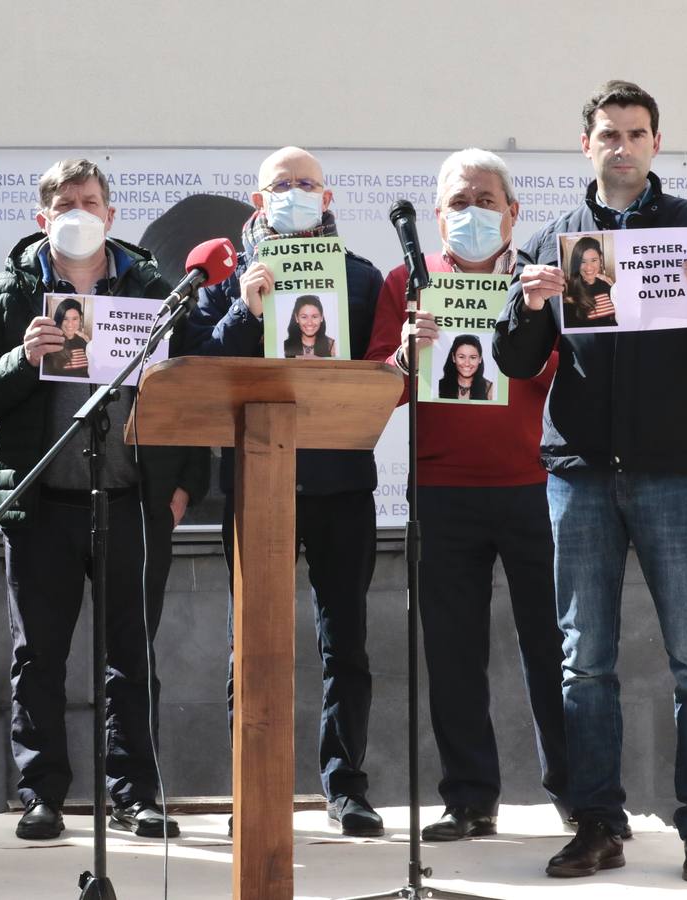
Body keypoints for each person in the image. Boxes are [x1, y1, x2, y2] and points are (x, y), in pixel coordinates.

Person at [493, 81, 687, 882]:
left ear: (655, 143)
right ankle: (597, 825)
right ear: (587, 146)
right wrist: (526, 307)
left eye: (635, 133)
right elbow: (513, 365)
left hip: (669, 476)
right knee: (584, 662)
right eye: (607, 134)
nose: (621, 145)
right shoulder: (550, 238)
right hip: (578, 477)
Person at [0, 158, 208, 841]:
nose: (78, 211)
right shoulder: (9, 291)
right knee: (37, 655)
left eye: (90, 200)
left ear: (110, 214)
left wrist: (184, 484)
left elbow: (188, 390)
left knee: (132, 653)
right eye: (65, 202)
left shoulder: (149, 284)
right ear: (43, 217)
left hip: (131, 500)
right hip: (42, 504)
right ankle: (41, 795)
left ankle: (136, 794)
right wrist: (22, 356)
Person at [366, 148, 568, 843]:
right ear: (436, 215)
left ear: (514, 213)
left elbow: (575, 380)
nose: (472, 213)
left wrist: (539, 312)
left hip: (540, 490)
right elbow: (375, 394)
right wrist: (403, 353)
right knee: (451, 656)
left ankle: (580, 800)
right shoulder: (406, 283)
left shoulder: (543, 282)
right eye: (459, 202)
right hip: (442, 492)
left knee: (558, 652)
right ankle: (469, 799)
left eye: (486, 200)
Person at [184, 146, 384, 837]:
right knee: (253, 643)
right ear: (257, 199)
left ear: (327, 198)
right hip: (257, 482)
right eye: (281, 185)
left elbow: (383, 371)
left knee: (345, 643)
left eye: (306, 185)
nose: (295, 194)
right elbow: (200, 367)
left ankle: (345, 783)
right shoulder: (225, 277)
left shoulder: (360, 281)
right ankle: (254, 785)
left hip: (339, 483)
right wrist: (244, 308)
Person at [562, 236, 616, 327]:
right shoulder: (569, 291)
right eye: (583, 262)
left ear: (601, 259)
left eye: (594, 260)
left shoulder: (607, 284)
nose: (589, 267)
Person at [437, 334, 495, 401]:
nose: (467, 363)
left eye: (473, 357)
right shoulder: (439, 386)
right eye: (461, 357)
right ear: (453, 358)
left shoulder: (490, 389)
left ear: (480, 359)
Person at [41, 297, 89, 377]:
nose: (70, 324)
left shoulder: (83, 341)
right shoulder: (50, 343)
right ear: (59, 319)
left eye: (75, 319)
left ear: (80, 319)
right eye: (65, 319)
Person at [283, 294, 337, 358]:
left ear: (321, 317)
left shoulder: (331, 345)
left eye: (314, 317)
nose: (309, 323)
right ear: (297, 318)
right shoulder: (285, 345)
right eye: (304, 317)